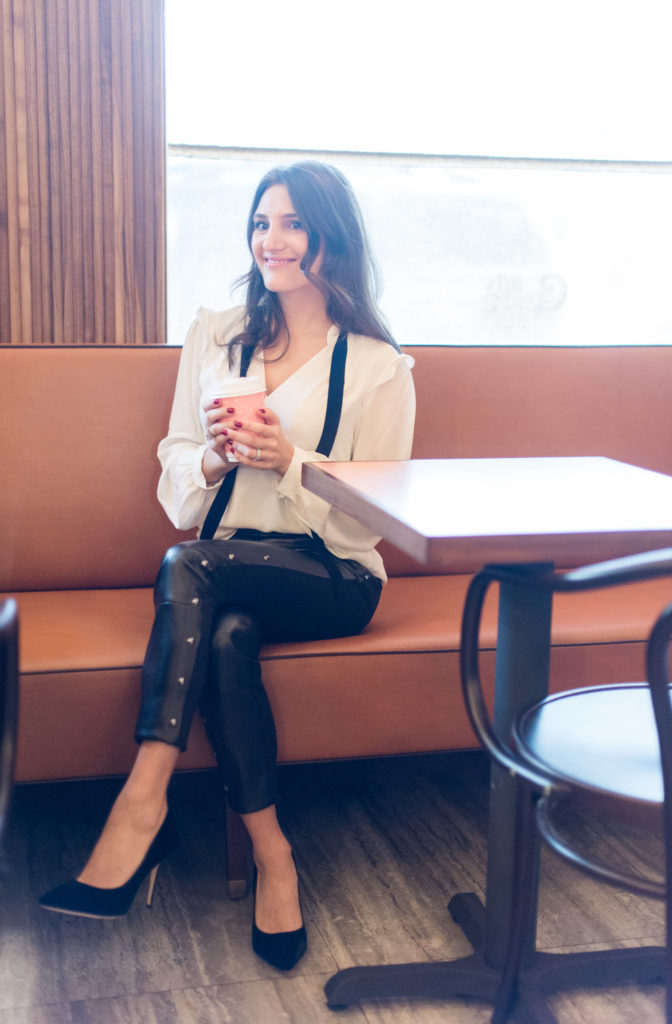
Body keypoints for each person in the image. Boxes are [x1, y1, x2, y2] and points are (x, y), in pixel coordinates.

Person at [39, 161, 416, 971]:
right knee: (223, 632)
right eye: (260, 223)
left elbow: (372, 522)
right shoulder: (217, 330)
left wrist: (287, 461)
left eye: (291, 224)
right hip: (224, 561)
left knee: (191, 567)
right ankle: (274, 856)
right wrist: (212, 460)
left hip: (332, 576)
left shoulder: (380, 366)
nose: (270, 240)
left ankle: (141, 808)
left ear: (330, 238)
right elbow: (175, 454)